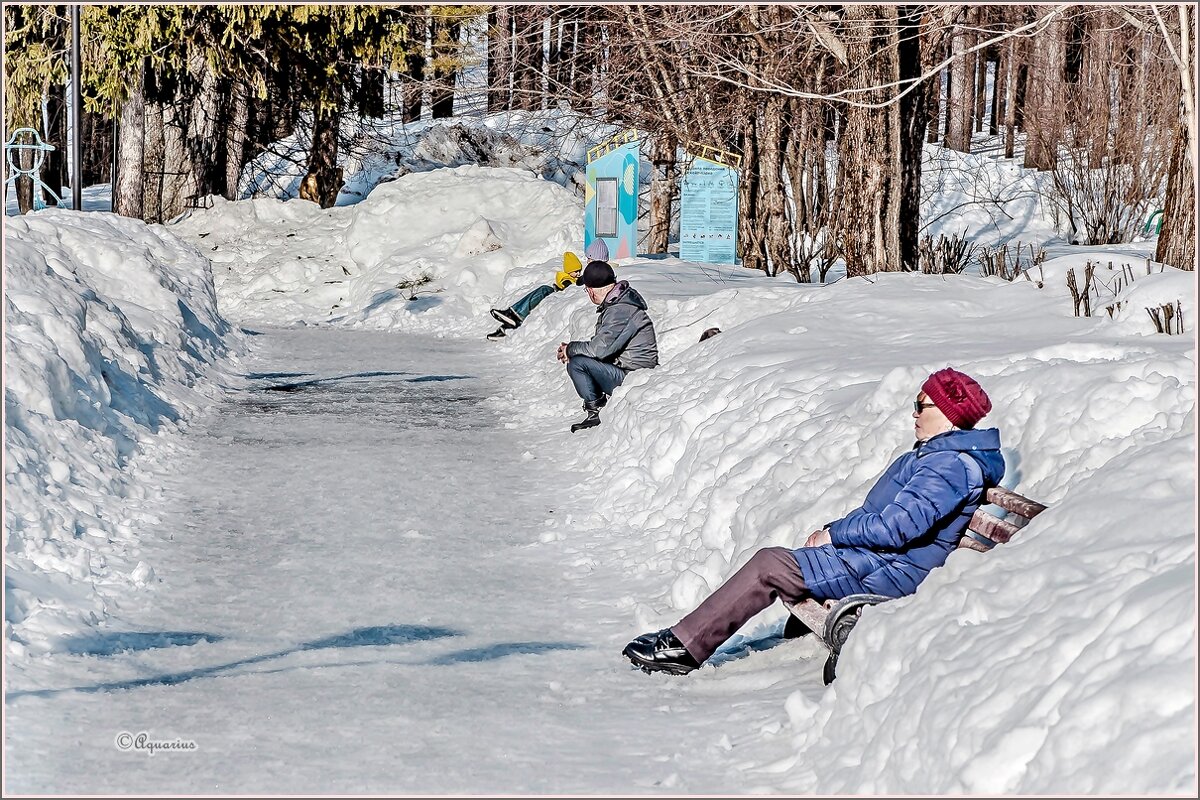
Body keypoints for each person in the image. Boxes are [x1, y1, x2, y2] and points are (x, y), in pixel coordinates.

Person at [622, 368, 1005, 674]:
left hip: (890, 572)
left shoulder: (948, 467)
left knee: (770, 565)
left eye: (922, 405)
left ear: (949, 414)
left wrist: (835, 535)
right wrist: (833, 532)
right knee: (777, 561)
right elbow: (876, 513)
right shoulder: (931, 458)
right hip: (875, 560)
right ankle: (693, 636)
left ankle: (684, 647)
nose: (914, 413)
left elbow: (895, 528)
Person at [557, 260, 659, 433]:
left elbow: (599, 350)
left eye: (586, 289)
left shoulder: (620, 310)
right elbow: (604, 347)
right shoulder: (619, 305)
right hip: (633, 372)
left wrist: (570, 349)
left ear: (591, 290)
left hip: (636, 378)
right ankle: (598, 407)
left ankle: (596, 411)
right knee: (581, 358)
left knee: (578, 363)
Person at [487, 240, 611, 341]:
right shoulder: (598, 272)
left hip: (564, 298)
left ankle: (511, 316)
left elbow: (579, 284)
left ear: (596, 259)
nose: (587, 262)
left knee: (543, 291)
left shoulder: (596, 273)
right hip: (564, 295)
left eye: (589, 259)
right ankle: (509, 318)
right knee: (541, 292)